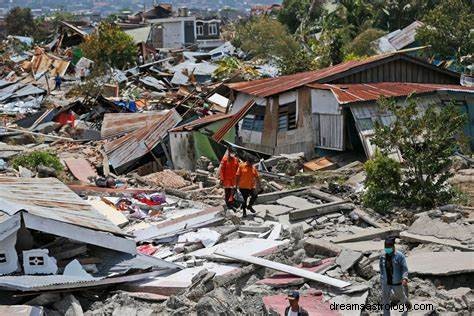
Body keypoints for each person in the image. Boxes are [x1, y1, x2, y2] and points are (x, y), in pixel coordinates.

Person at [379, 237, 410, 316]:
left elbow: (404, 268)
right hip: (386, 282)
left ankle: (406, 302)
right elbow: (381, 268)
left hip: (396, 283)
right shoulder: (382, 255)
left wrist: (404, 278)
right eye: (386, 247)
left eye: (389, 247)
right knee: (385, 300)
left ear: (393, 246)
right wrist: (382, 278)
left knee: (401, 297)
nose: (387, 249)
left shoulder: (400, 256)